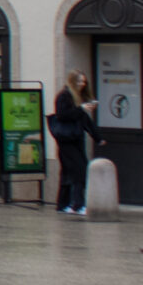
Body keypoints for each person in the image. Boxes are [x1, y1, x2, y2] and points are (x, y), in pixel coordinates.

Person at [51, 71, 93, 215]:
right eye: (79, 81)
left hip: (76, 139)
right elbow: (62, 115)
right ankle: (77, 205)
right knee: (79, 170)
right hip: (66, 139)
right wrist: (81, 109)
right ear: (72, 82)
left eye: (84, 82)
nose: (82, 84)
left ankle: (63, 204)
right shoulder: (64, 96)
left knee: (68, 172)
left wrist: (98, 137)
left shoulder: (78, 98)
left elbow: (85, 121)